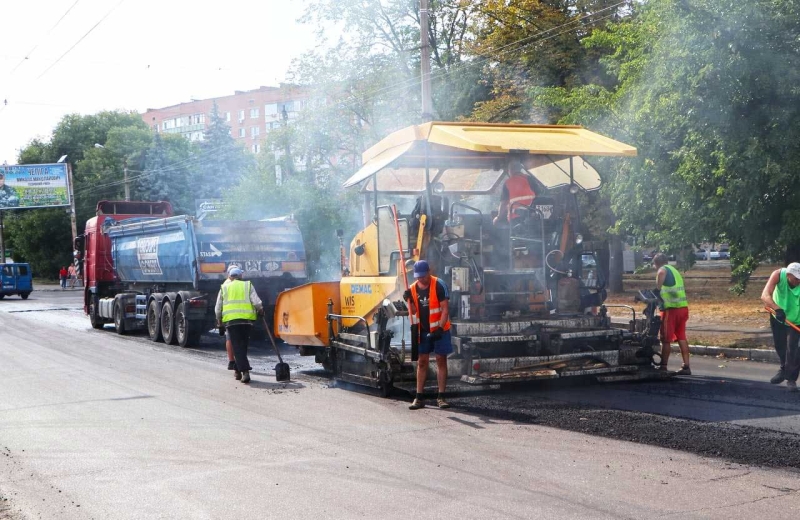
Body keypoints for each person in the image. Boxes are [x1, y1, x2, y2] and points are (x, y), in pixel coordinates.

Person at [403, 260, 453, 410]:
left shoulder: (439, 285)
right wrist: (408, 300)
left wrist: (439, 327)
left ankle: (441, 397)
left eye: (423, 276)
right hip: (423, 330)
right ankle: (419, 398)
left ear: (428, 272)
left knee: (440, 360)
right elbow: (413, 311)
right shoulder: (412, 288)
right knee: (422, 362)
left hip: (440, 329)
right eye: (418, 277)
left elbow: (445, 310)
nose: (421, 279)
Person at [215, 267, 263, 384]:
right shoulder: (248, 285)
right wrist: (261, 310)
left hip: (232, 322)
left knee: (237, 346)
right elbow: (256, 302)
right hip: (247, 321)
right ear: (241, 276)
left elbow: (218, 308)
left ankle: (245, 371)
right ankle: (237, 370)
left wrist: (219, 322)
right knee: (243, 346)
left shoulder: (224, 287)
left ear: (230, 276)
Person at [760, 262, 800, 391]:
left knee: (792, 348)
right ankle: (784, 368)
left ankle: (791, 380)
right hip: (778, 315)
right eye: (796, 278)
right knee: (779, 345)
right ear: (788, 275)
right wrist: (777, 309)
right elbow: (765, 295)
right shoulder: (778, 274)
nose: (798, 281)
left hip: (796, 320)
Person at [653, 253, 691, 375]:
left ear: (657, 263)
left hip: (671, 309)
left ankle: (663, 367)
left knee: (666, 339)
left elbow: (661, 273)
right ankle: (686, 366)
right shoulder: (674, 270)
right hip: (683, 308)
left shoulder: (663, 269)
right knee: (681, 337)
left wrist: (657, 289)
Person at [492, 161, 536, 225]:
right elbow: (539, 196)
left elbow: (504, 203)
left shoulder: (508, 183)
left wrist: (498, 217)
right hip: (533, 218)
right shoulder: (530, 179)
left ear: (511, 170)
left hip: (516, 219)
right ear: (520, 169)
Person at [221, 265, 240, 375]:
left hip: (229, 316)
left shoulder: (225, 285)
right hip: (242, 316)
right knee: (240, 340)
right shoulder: (244, 285)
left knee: (229, 338)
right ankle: (239, 362)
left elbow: (219, 303)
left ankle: (232, 361)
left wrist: (219, 319)